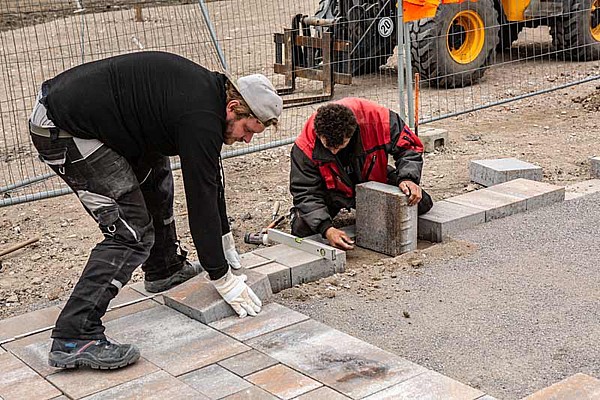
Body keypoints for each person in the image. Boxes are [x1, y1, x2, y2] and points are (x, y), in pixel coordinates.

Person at [28, 51, 283, 370]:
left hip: (101, 122)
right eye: (248, 130)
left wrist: (224, 239)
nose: (246, 140)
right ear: (233, 108)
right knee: (131, 232)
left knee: (156, 175)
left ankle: (164, 268)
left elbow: (210, 175)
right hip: (63, 128)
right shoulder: (201, 116)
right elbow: (200, 197)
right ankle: (74, 335)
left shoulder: (208, 101)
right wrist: (221, 276)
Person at [290, 97, 432, 250]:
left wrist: (407, 178)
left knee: (421, 203)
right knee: (302, 227)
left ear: (352, 132)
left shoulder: (379, 120)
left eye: (340, 146)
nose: (334, 151)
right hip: (333, 190)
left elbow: (409, 148)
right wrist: (327, 229)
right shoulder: (305, 146)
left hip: (371, 177)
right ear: (319, 134)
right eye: (328, 147)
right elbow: (305, 191)